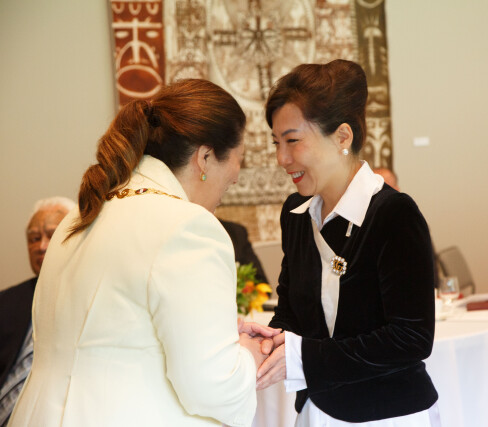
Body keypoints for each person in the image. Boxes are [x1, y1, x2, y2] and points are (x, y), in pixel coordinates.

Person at [8, 79, 279, 427]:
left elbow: (121, 331)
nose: (237, 178)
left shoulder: (79, 215)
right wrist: (247, 355)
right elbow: (213, 386)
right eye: (239, 160)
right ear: (205, 157)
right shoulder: (189, 227)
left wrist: (220, 332)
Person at [256, 59, 439, 426]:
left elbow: (411, 338)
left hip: (387, 415)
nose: (281, 158)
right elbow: (292, 312)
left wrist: (302, 357)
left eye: (292, 141)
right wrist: (266, 339)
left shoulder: (393, 213)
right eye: (276, 143)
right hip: (318, 408)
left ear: (342, 137)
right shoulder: (296, 212)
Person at [0, 197, 75, 426]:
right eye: (34, 238)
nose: (41, 246)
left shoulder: (91, 299)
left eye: (52, 235)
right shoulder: (6, 302)